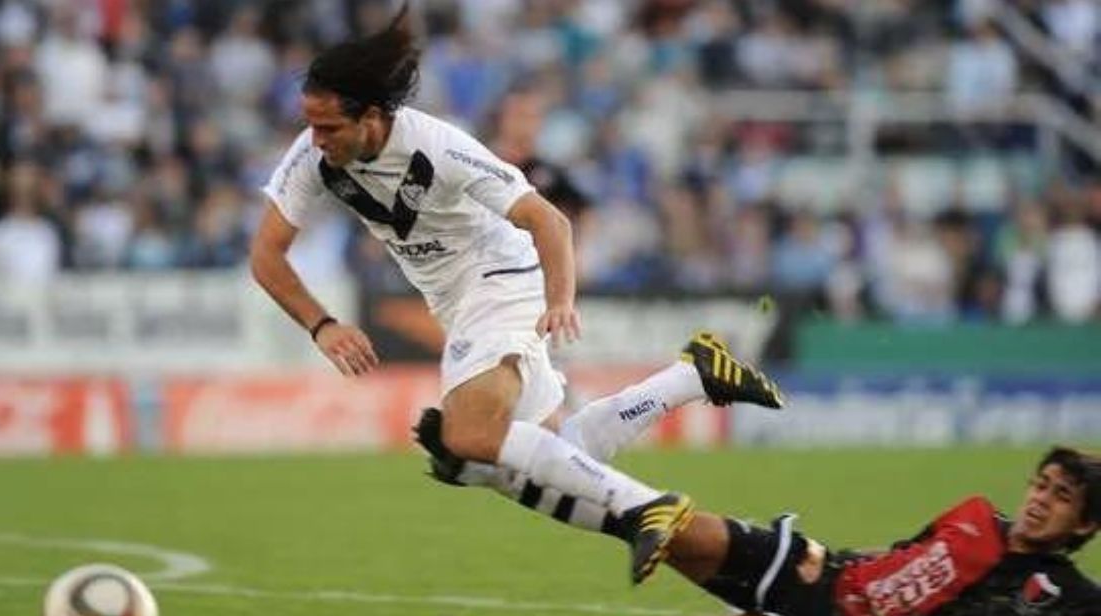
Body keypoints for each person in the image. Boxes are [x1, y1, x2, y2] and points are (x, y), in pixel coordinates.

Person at [250, 3, 783, 585]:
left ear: (372, 117)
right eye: (311, 124)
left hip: (498, 278)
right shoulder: (313, 156)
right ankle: (692, 376)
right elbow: (266, 255)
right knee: (557, 452)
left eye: (329, 127)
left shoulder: (438, 146)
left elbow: (549, 220)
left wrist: (560, 298)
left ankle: (642, 508)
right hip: (456, 303)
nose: (315, 138)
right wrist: (323, 325)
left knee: (468, 437)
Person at [414, 446, 1101, 616]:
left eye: (1061, 496)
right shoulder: (976, 514)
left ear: (1086, 523)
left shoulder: (1066, 597)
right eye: (1041, 483)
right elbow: (896, 559)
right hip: (811, 568)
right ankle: (484, 468)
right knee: (660, 521)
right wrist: (822, 557)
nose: (1040, 499)